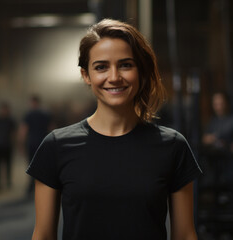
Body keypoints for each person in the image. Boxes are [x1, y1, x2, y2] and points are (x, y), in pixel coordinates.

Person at [26, 19, 202, 240]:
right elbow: (42, 235)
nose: (114, 77)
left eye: (126, 65)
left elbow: (185, 235)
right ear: (86, 76)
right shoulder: (56, 146)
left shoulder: (173, 146)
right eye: (101, 67)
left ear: (141, 71)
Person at [19, 95, 52, 195]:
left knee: (31, 165)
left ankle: (31, 186)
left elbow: (24, 130)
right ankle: (43, 186)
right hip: (43, 143)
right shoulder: (46, 114)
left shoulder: (28, 114)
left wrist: (21, 143)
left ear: (33, 102)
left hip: (32, 143)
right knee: (43, 164)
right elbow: (52, 128)